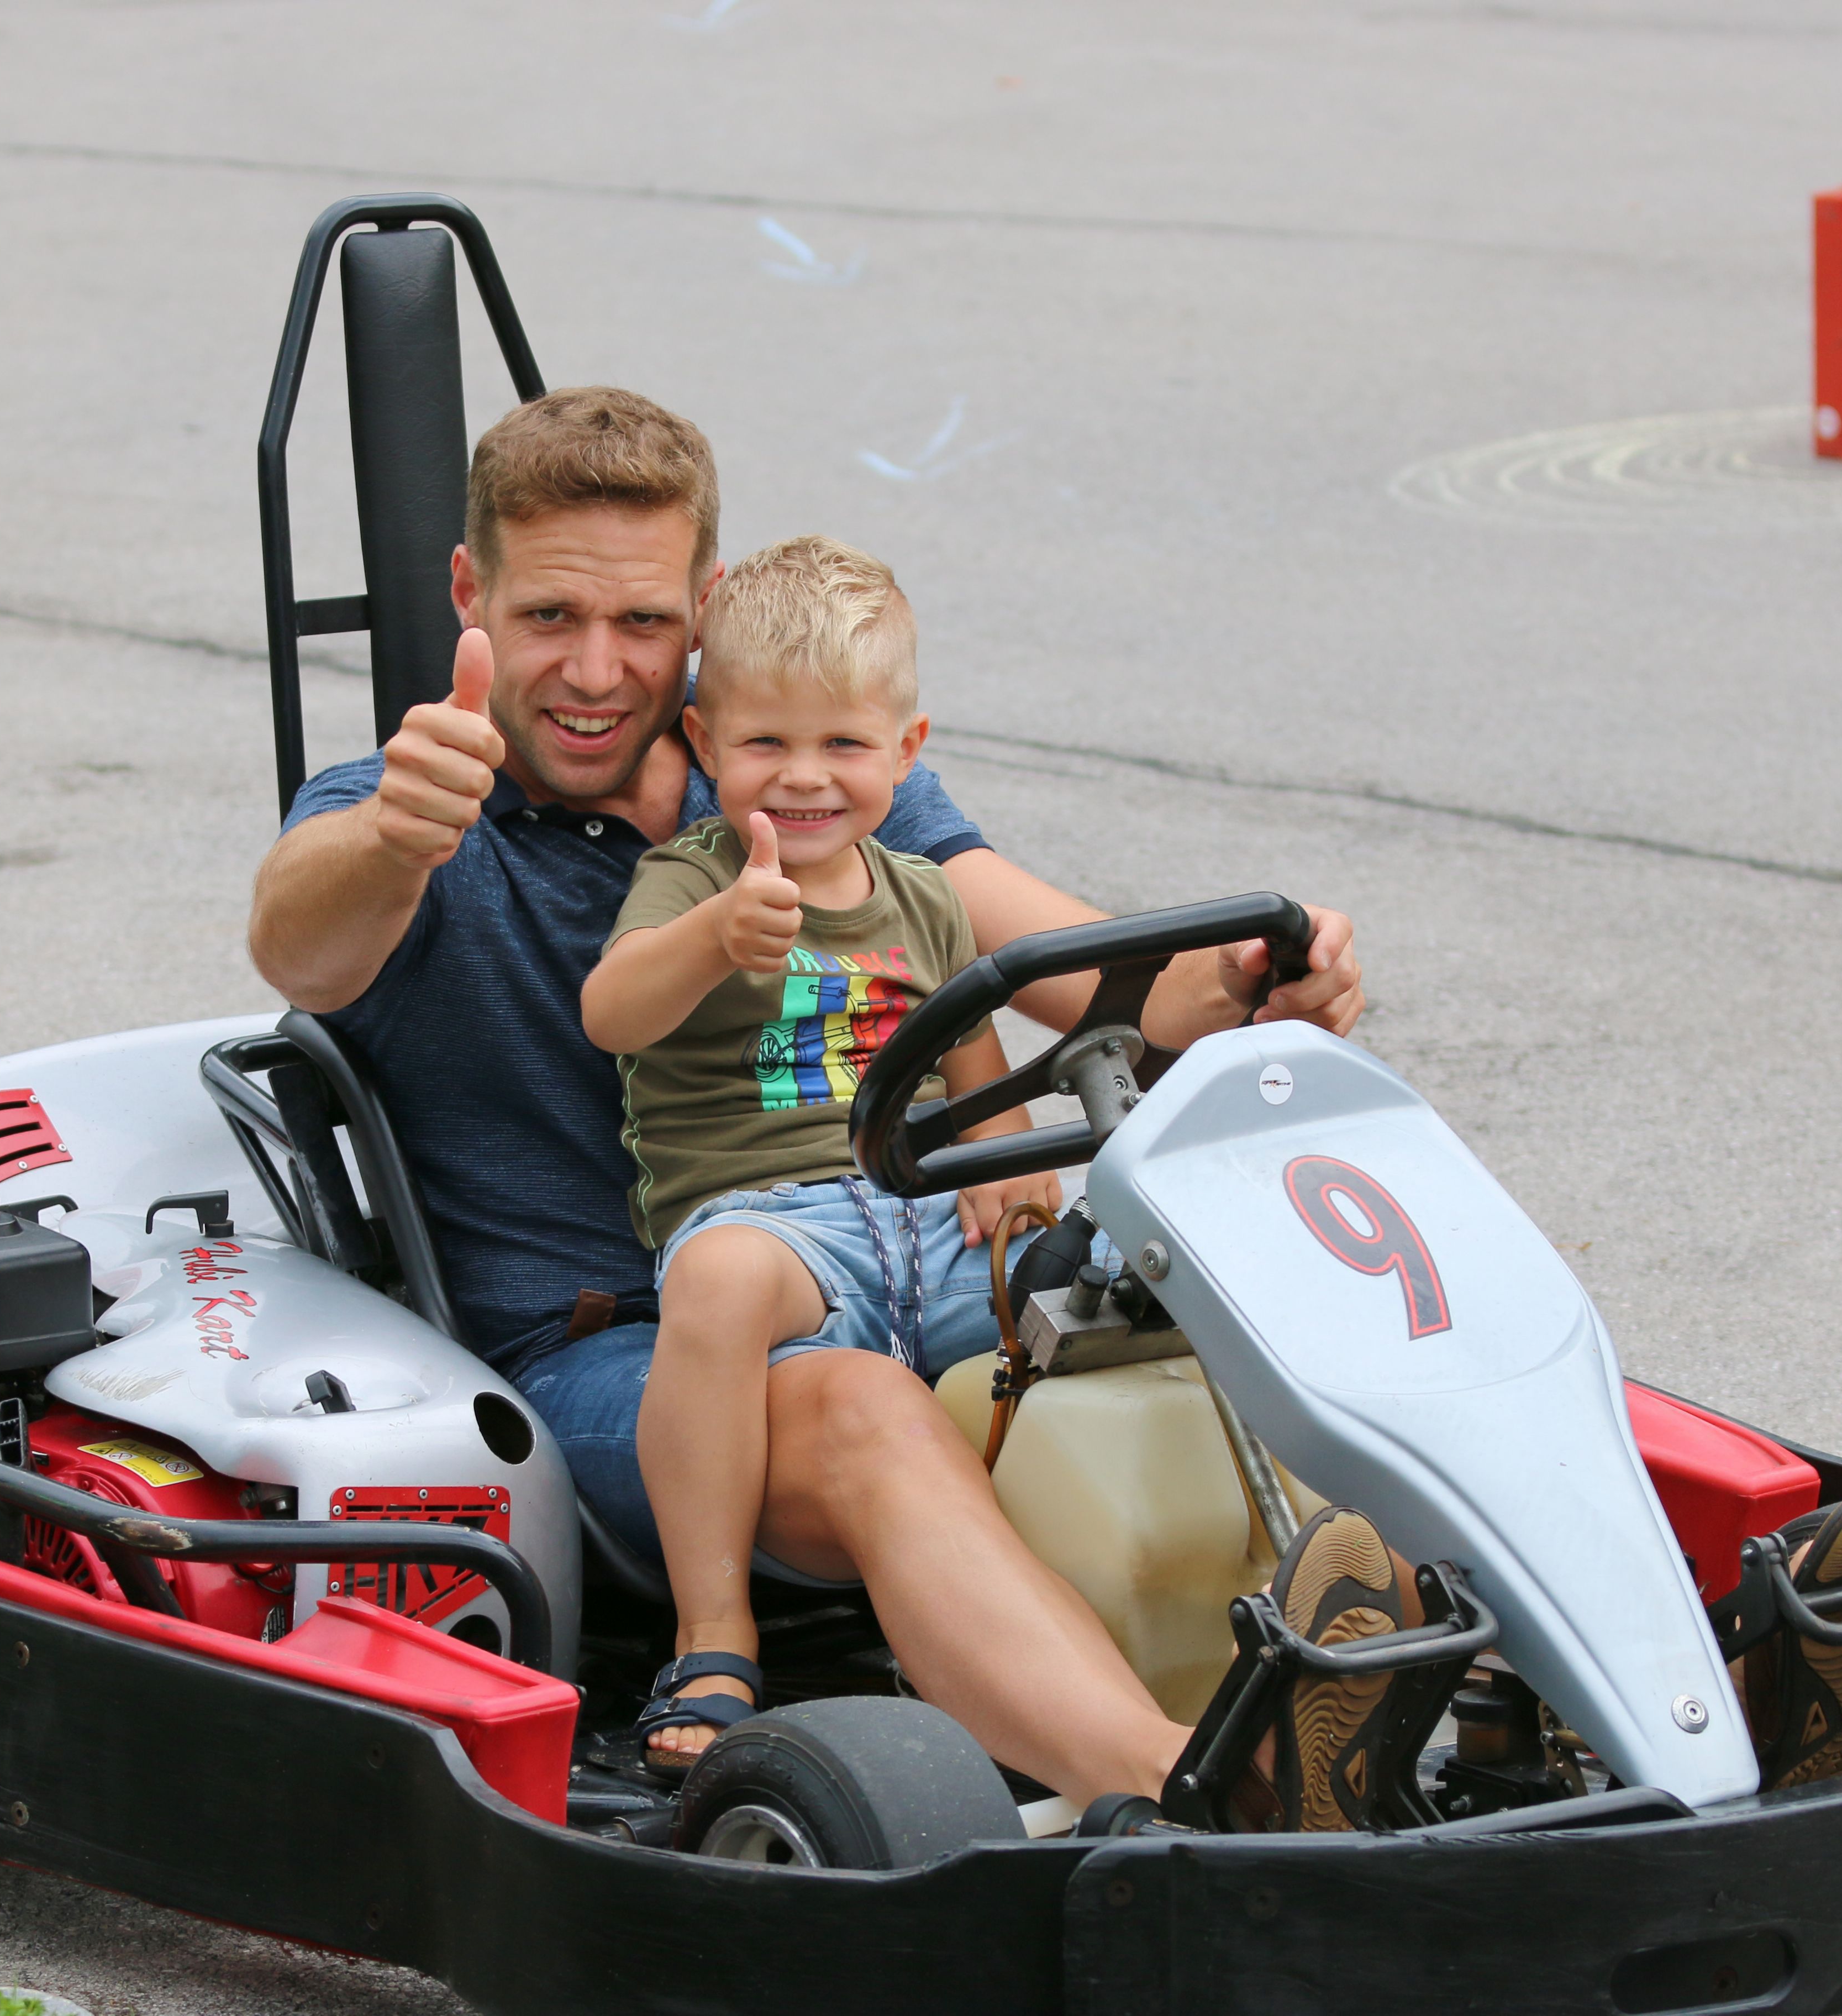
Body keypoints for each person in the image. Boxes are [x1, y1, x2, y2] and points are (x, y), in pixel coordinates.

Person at [248, 386, 1364, 1810]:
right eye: (547, 620)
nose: (596, 669)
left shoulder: (801, 774)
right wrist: (398, 837)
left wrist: (1261, 982)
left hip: (879, 1265)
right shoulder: (417, 810)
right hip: (606, 1366)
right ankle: (1224, 1804)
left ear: (703, 609)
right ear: (471, 594)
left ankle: (1379, 1657)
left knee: (1182, 1291)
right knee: (861, 1409)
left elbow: (1088, 981)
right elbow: (299, 940)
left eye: (643, 623)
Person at [578, 536, 1063, 1764]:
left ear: (907, 750)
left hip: (916, 1210)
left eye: (843, 745)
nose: (803, 779)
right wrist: (715, 940)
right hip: (772, 1229)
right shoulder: (690, 881)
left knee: (1123, 1256)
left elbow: (973, 1069)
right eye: (764, 745)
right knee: (719, 1281)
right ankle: (714, 1637)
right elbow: (612, 1013)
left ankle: (1172, 1571)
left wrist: (1006, 1163)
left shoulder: (926, 898)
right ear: (700, 744)